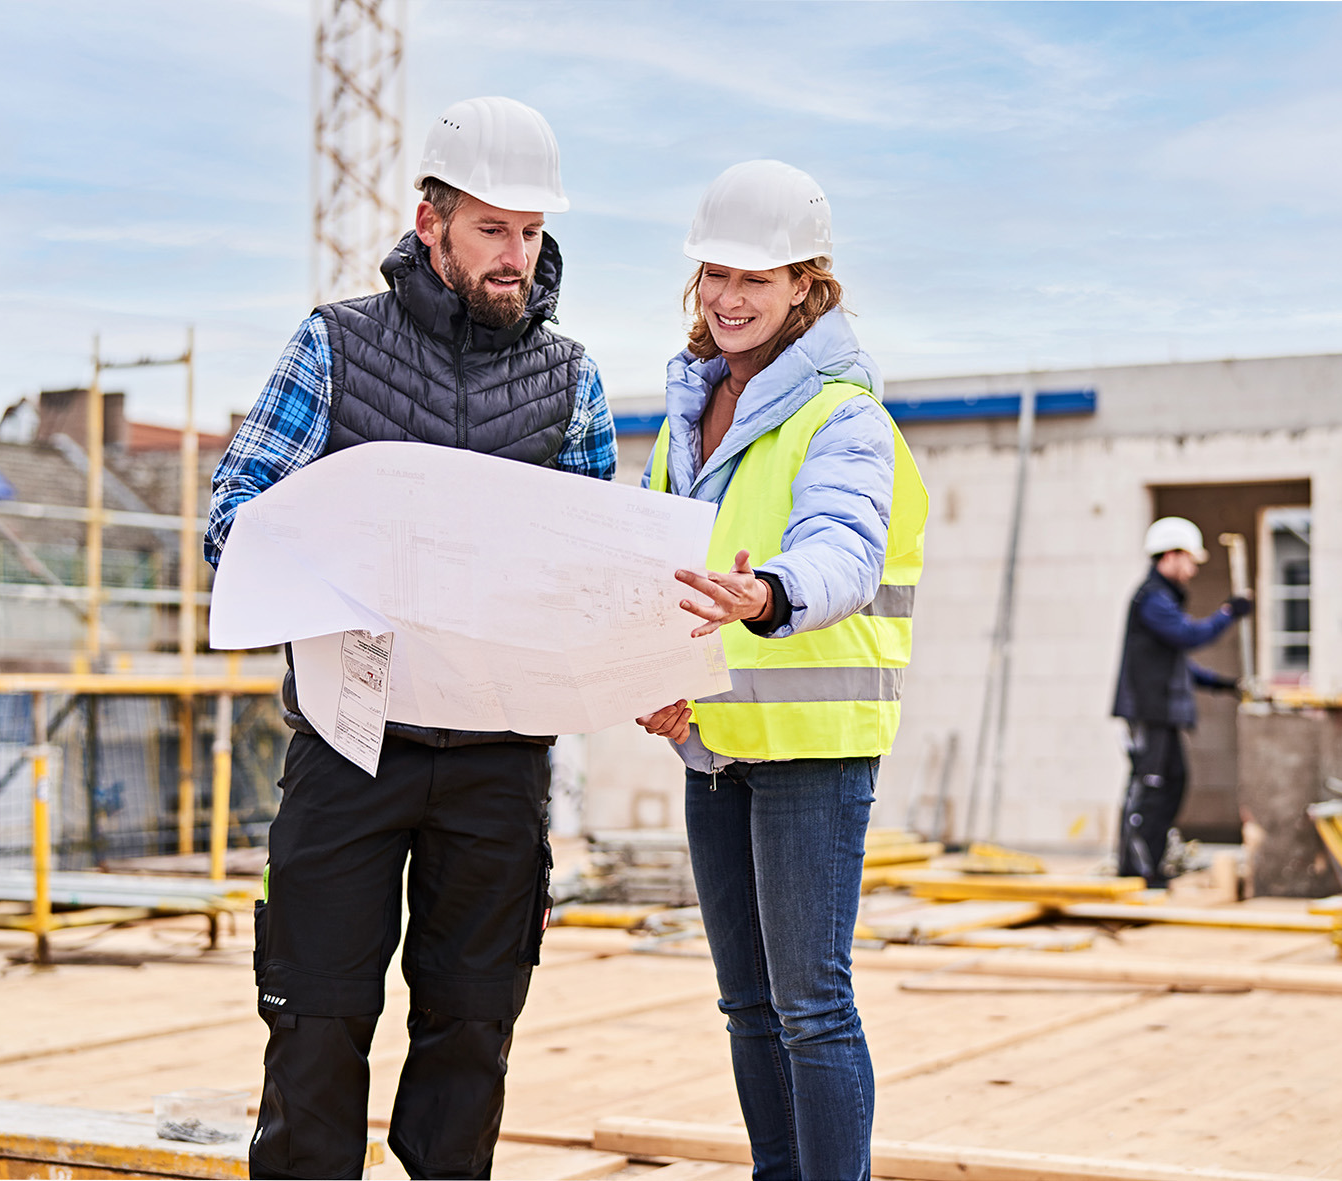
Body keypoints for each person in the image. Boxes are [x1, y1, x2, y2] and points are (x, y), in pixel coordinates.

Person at [205, 96, 615, 1180]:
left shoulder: (572, 381)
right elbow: (233, 515)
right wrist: (344, 555)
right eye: (491, 228)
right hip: (350, 747)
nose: (515, 254)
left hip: (497, 760)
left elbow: (595, 559)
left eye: (530, 231)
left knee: (472, 1029)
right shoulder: (333, 344)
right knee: (317, 1016)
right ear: (429, 220)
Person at [634, 159, 928, 1181]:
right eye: (714, 273)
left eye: (754, 279)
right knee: (746, 1005)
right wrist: (643, 669)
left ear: (806, 283)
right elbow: (646, 555)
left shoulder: (841, 414)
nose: (727, 296)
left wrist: (769, 595)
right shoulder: (689, 404)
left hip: (811, 746)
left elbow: (842, 546)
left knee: (811, 1006)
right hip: (713, 741)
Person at [1111, 517, 1252, 886]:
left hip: (1163, 713)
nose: (1191, 570)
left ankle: (1152, 865)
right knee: (1151, 787)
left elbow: (1177, 666)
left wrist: (1225, 685)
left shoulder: (1163, 600)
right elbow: (1188, 636)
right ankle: (1136, 869)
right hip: (1149, 711)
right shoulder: (1152, 599)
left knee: (1174, 782)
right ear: (1169, 556)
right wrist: (1228, 614)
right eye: (1188, 560)